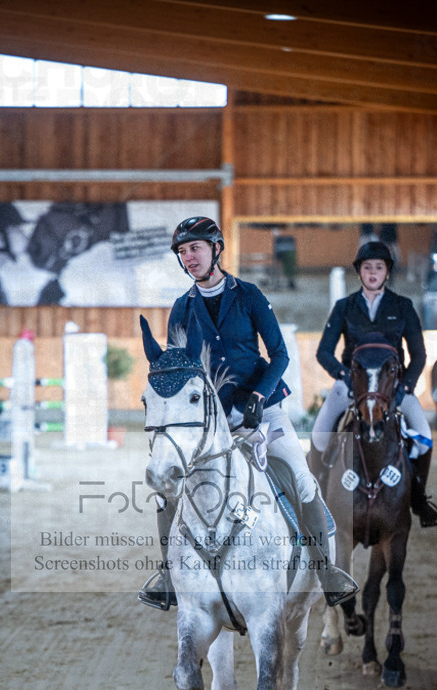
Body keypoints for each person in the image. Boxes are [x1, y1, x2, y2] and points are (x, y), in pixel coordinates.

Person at [138, 215, 359, 611]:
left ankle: (327, 572)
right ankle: (169, 577)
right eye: (183, 252)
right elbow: (179, 372)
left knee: (299, 475)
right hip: (212, 423)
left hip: (265, 410)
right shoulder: (181, 309)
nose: (189, 257)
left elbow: (281, 354)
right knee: (165, 491)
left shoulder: (250, 295)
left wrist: (260, 393)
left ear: (216, 249)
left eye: (195, 249)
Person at [310, 240, 437, 528]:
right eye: (367, 267)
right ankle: (316, 500)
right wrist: (343, 375)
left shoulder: (403, 306)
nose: (373, 273)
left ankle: (419, 500)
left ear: (387, 272)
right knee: (320, 437)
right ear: (359, 272)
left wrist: (406, 385)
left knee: (423, 435)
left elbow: (419, 354)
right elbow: (324, 351)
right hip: (351, 387)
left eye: (378, 268)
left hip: (393, 389)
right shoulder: (344, 307)